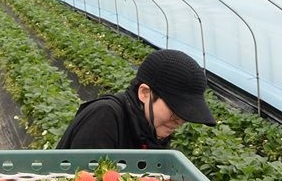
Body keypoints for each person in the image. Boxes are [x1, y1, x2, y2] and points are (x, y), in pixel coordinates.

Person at [56, 48, 217, 150]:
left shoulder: (150, 130)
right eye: (175, 110)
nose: (179, 121)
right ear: (145, 93)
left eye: (185, 115)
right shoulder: (105, 117)